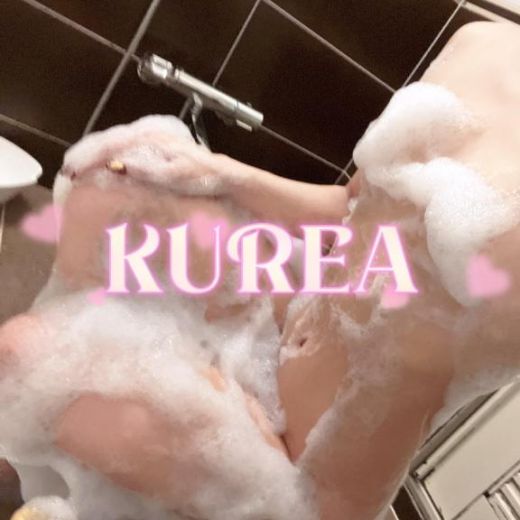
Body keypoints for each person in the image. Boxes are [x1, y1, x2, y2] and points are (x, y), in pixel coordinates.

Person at [2, 20, 520, 520]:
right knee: (106, 186)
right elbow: (351, 206)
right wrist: (220, 172)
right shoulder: (481, 43)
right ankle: (43, 453)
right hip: (289, 312)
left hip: (303, 475)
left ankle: (46, 450)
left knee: (22, 355)